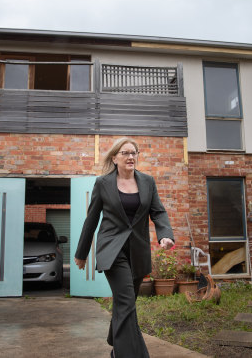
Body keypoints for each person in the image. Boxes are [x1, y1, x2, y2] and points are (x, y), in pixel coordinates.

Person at [74, 137, 175, 358]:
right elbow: (91, 219)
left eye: (134, 153)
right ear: (115, 158)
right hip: (112, 249)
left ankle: (115, 343)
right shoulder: (103, 183)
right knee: (126, 300)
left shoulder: (147, 181)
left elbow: (158, 211)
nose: (131, 157)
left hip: (137, 251)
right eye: (125, 153)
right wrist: (82, 253)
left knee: (125, 303)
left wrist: (165, 235)